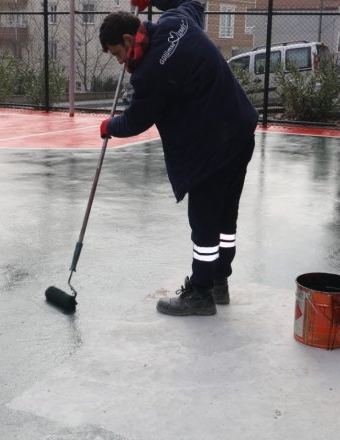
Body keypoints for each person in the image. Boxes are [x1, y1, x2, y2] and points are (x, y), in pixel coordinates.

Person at [98, 0, 258, 316]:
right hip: (240, 132)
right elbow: (192, 2)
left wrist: (108, 126)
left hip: (210, 150)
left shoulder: (150, 75)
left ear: (129, 41)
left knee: (204, 225)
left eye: (118, 53)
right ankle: (219, 282)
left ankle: (200, 293)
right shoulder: (177, 22)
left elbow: (134, 120)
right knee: (226, 217)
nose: (120, 62)